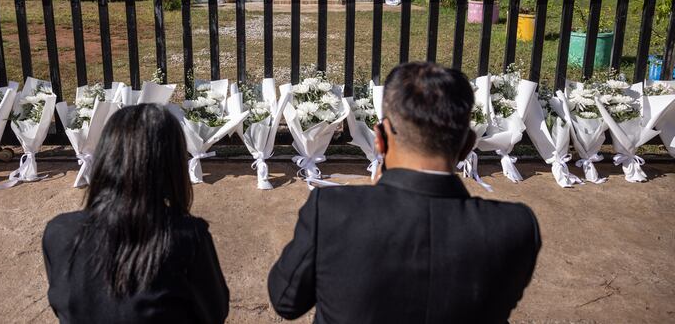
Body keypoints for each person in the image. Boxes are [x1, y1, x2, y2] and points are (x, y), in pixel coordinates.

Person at [268, 62, 541, 323]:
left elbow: (285, 301)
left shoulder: (332, 212)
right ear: (469, 144)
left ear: (380, 138)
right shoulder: (515, 229)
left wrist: (369, 202)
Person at [43, 104, 229, 324]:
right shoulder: (187, 238)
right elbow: (214, 312)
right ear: (170, 165)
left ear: (105, 157)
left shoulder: (58, 232)